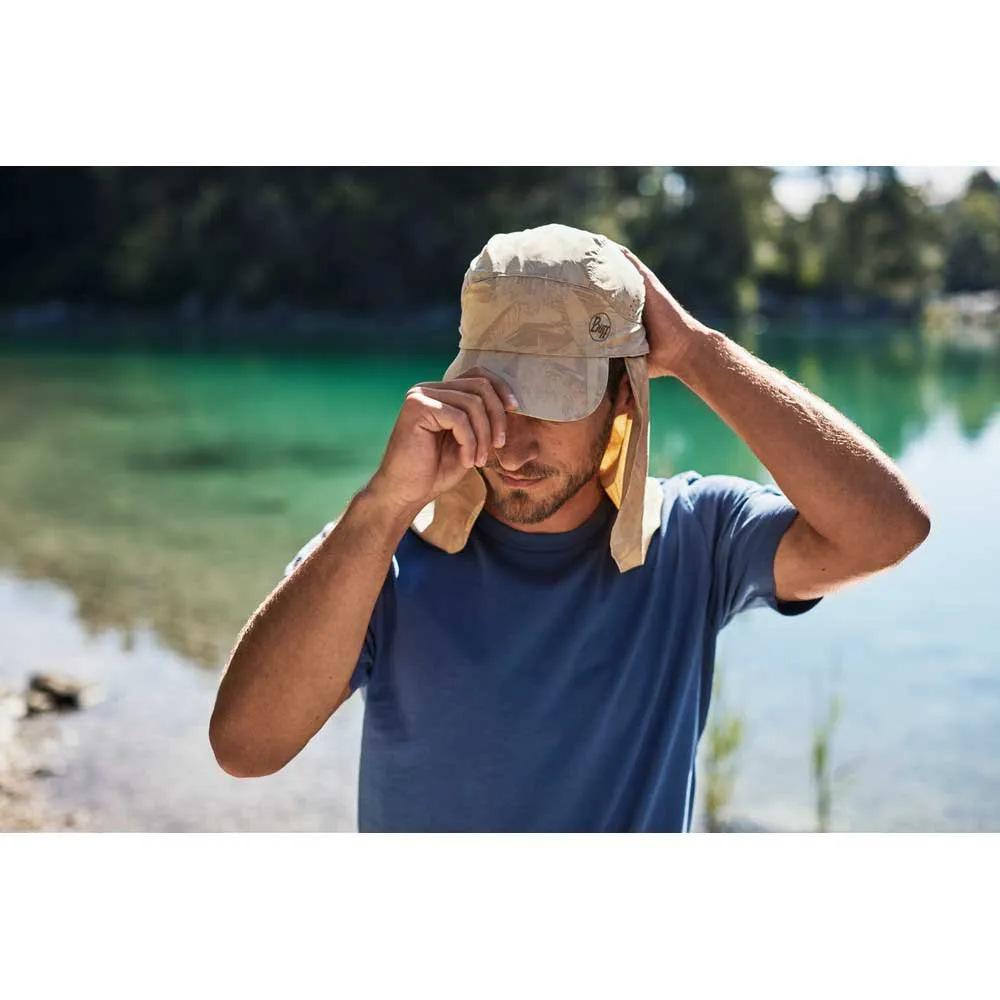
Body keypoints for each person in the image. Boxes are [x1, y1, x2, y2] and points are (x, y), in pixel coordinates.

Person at [209, 223, 931, 832]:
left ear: (625, 398)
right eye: (495, 398)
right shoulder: (383, 550)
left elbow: (888, 532)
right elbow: (245, 747)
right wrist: (381, 506)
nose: (514, 446)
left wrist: (695, 352)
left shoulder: (694, 539)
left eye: (554, 404)